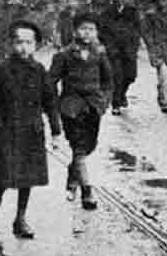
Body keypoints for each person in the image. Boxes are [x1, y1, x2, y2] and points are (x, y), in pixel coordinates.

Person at [0, 19, 61, 237]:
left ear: (35, 45)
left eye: (28, 42)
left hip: (31, 132)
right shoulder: (1, 71)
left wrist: (55, 131)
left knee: (28, 177)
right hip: (6, 132)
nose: (23, 47)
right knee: (3, 176)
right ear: (11, 44)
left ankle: (20, 218)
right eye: (18, 42)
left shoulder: (39, 70)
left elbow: (50, 101)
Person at [49, 13, 113, 210]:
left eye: (91, 29)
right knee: (79, 147)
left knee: (89, 147)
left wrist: (104, 103)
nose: (87, 33)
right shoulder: (64, 54)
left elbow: (108, 80)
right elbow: (50, 81)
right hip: (71, 107)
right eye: (83, 29)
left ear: (96, 32)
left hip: (94, 106)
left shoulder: (100, 53)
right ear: (75, 31)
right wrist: (55, 105)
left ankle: (73, 174)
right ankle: (87, 192)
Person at [99, 0, 141, 116]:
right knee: (117, 76)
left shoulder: (132, 11)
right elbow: (103, 33)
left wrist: (134, 45)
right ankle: (116, 103)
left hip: (129, 49)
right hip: (114, 50)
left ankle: (122, 95)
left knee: (130, 76)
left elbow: (137, 29)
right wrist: (109, 47)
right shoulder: (106, 13)